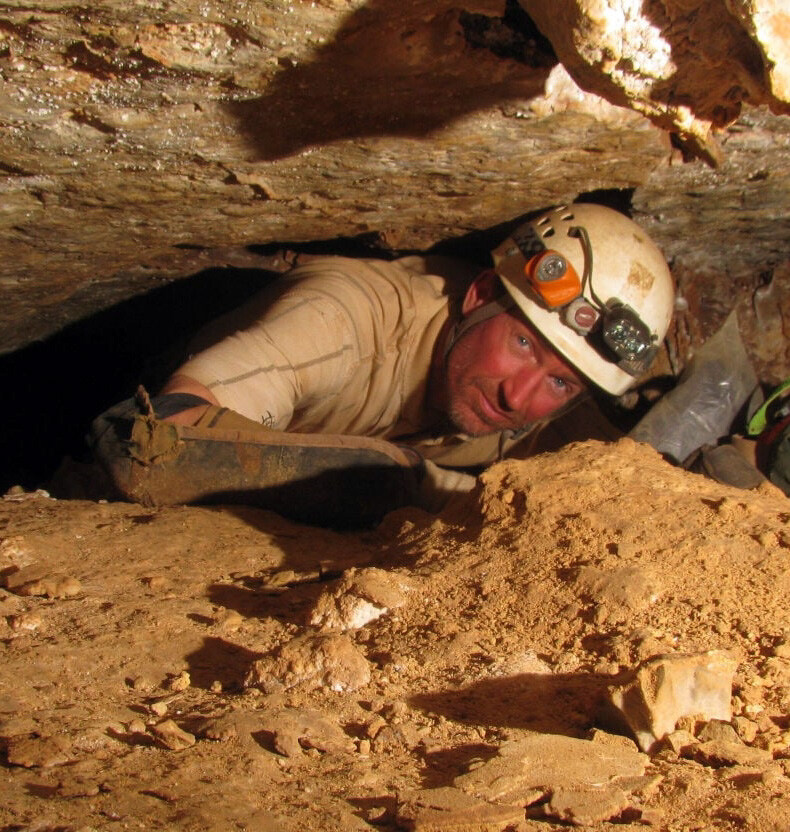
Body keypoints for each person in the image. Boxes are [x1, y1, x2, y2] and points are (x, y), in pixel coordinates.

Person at [91, 203, 674, 525]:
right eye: (523, 344)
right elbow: (162, 442)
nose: (517, 398)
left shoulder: (545, 414)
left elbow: (628, 503)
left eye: (558, 380)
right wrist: (405, 481)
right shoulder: (348, 315)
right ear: (480, 295)